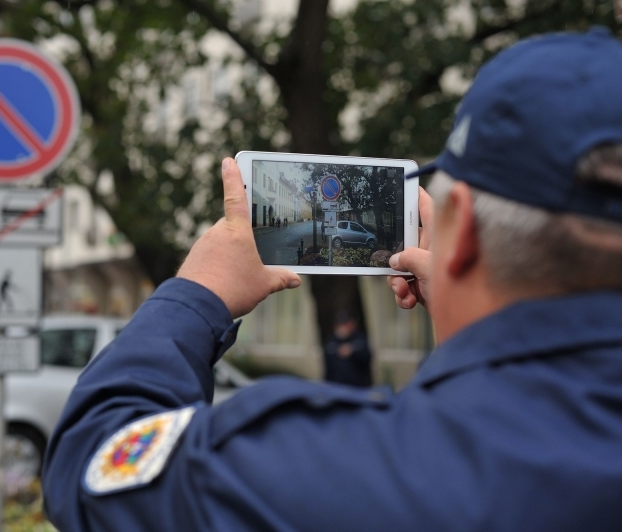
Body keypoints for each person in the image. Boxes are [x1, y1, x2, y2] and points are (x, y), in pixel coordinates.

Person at [42, 28, 622, 531]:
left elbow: (92, 463)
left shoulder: (340, 471)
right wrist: (471, 315)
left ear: (463, 232)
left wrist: (198, 295)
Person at [323, 310, 372, 387]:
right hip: (335, 385)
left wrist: (353, 352)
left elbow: (367, 357)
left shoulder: (360, 339)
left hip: (357, 386)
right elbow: (328, 365)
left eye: (345, 324)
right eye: (340, 324)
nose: (343, 327)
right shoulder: (331, 341)